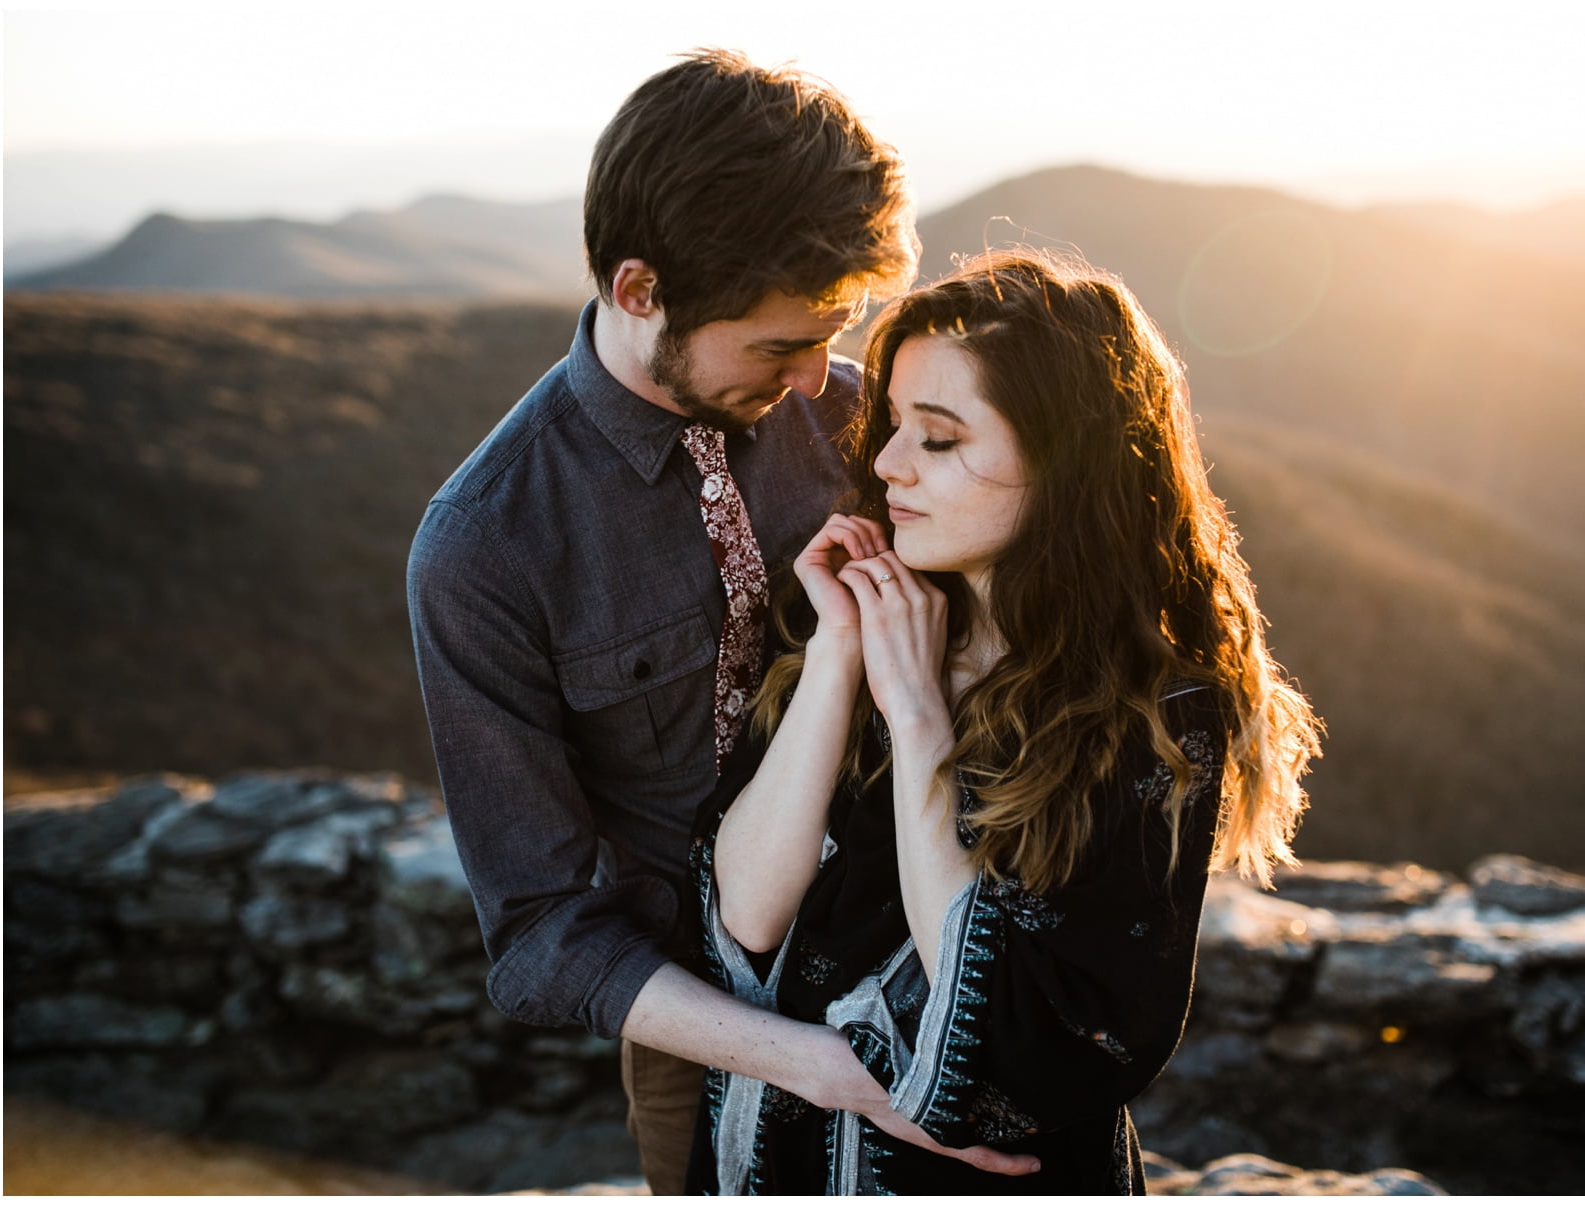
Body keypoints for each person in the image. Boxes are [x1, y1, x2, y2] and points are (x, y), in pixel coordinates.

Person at [407, 50, 1036, 1194]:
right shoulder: (485, 547)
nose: (817, 380)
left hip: (949, 968)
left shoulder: (869, 424)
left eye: (833, 333)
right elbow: (543, 932)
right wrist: (818, 1067)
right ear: (639, 290)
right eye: (778, 345)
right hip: (712, 1046)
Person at [687, 249, 1323, 1194]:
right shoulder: (855, 623)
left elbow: (1033, 1042)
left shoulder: (1151, 719)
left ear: (1065, 461)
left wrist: (918, 721)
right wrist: (838, 656)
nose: (887, 464)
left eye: (939, 440)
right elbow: (747, 917)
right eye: (893, 425)